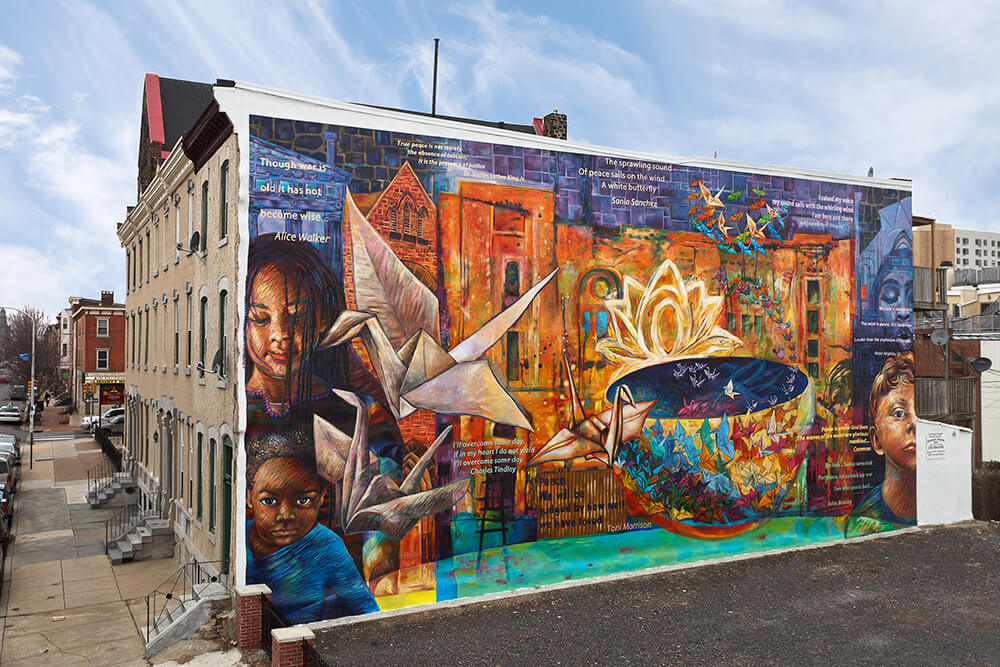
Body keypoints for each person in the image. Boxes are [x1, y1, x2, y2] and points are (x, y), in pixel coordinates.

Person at [246, 430, 378, 623]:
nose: (285, 516)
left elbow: (368, 611)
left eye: (303, 500)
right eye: (269, 501)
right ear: (249, 497)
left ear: (322, 496)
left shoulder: (327, 548)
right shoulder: (240, 538)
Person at [845, 351, 916, 537]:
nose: (914, 423)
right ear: (876, 440)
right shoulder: (862, 525)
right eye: (899, 413)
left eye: (922, 411)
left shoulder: (943, 503)